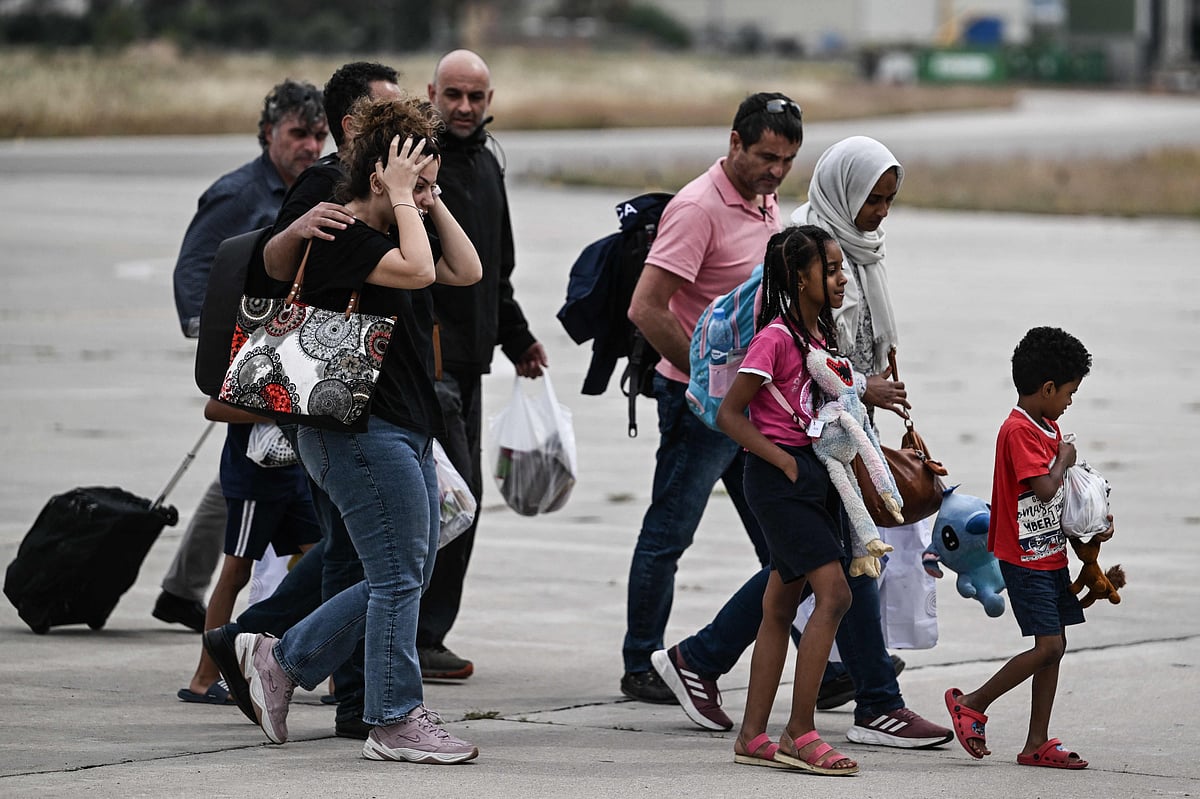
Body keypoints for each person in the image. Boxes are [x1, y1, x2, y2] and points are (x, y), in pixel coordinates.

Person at [209, 95, 484, 764]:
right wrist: (400, 197)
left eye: (428, 178)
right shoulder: (342, 234)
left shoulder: (398, 226)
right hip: (355, 431)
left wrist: (429, 197)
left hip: (402, 427)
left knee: (405, 571)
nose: (421, 192)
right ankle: (392, 718)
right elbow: (421, 271)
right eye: (412, 178)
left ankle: (278, 657)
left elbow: (465, 271)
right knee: (394, 577)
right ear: (378, 175)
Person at [652, 136, 950, 751]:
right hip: (805, 452)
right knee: (841, 577)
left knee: (801, 579)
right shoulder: (804, 257)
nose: (882, 212)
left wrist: (864, 407)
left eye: (891, 199)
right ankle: (841, 714)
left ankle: (718, 675)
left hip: (834, 445)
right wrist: (791, 455)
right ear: (846, 191)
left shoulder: (855, 253)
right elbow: (785, 380)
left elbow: (836, 366)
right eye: (875, 198)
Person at [620, 92, 802, 702]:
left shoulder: (764, 200)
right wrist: (707, 383)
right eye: (765, 156)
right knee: (669, 534)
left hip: (752, 408)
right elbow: (646, 307)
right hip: (700, 409)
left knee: (788, 541)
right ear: (734, 142)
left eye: (786, 160)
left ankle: (831, 669)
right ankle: (642, 662)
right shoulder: (698, 208)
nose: (775, 171)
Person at [153, 79, 328, 632]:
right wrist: (221, 343)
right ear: (269, 133)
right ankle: (204, 616)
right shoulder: (238, 195)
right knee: (245, 479)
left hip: (284, 356)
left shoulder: (310, 191)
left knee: (243, 478)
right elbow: (195, 268)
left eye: (319, 134)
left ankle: (182, 590)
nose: (310, 145)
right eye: (299, 133)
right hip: (247, 358)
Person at [418, 49, 547, 680]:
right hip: (425, 365)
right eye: (453, 95)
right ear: (431, 94)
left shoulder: (487, 167)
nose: (465, 108)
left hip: (469, 367)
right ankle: (410, 635)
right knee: (450, 503)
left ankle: (423, 635)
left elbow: (495, 273)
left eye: (476, 97)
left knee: (455, 505)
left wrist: (518, 339)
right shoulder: (415, 168)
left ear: (489, 100)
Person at [719, 224, 857, 774]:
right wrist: (779, 460)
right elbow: (731, 414)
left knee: (778, 605)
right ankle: (800, 730)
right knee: (836, 594)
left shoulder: (819, 336)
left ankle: (752, 734)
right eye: (831, 269)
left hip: (811, 475)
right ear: (801, 278)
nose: (842, 278)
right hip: (780, 480)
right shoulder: (775, 337)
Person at [945, 326, 1102, 769]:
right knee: (1048, 646)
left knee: (1056, 644)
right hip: (1024, 558)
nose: (1071, 401)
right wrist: (1064, 458)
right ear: (1047, 387)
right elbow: (1047, 487)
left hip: (1049, 553)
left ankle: (1036, 742)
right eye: (1069, 392)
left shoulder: (1046, 425)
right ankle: (972, 702)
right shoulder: (1018, 432)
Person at [177, 404, 321, 705]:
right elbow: (215, 408)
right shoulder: (240, 356)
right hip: (255, 477)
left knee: (327, 563)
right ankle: (204, 679)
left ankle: (343, 683)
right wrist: (288, 413)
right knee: (236, 572)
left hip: (296, 470)